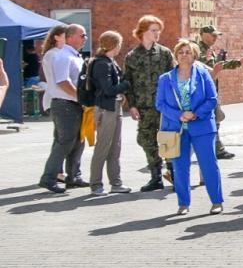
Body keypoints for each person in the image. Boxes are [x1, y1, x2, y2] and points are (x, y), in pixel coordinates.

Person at [155, 39, 224, 216]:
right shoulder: (166, 79)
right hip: (176, 128)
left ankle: (217, 201)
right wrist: (179, 115)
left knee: (208, 164)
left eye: (188, 52)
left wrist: (195, 113)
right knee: (179, 167)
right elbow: (160, 104)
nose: (184, 55)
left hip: (201, 126)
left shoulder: (202, 75)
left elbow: (212, 98)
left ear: (194, 55)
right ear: (176, 55)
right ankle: (183, 203)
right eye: (181, 52)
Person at [124, 15, 176, 193]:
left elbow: (174, 78)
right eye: (153, 30)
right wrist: (131, 105)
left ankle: (174, 174)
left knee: (168, 139)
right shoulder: (132, 56)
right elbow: (128, 83)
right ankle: (156, 176)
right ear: (142, 32)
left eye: (158, 30)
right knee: (147, 140)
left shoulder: (164, 53)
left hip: (165, 107)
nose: (157, 34)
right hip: (144, 107)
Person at [38, 23, 87, 194]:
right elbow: (62, 81)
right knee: (64, 142)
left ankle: (73, 176)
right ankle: (48, 178)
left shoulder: (74, 56)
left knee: (78, 141)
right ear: (71, 36)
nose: (85, 39)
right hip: (65, 104)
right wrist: (80, 97)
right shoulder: (62, 56)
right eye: (82, 35)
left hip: (73, 104)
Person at [84, 30, 132, 195]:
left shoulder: (109, 61)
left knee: (115, 147)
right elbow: (108, 89)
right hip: (106, 109)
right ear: (115, 45)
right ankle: (96, 184)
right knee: (103, 147)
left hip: (114, 107)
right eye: (119, 43)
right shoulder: (102, 64)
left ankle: (115, 182)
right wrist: (126, 85)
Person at [194, 25, 241, 160]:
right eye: (212, 35)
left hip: (211, 91)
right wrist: (207, 59)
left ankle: (217, 148)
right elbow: (198, 67)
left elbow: (218, 67)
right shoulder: (196, 49)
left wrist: (239, 62)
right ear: (203, 34)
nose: (215, 38)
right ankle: (213, 149)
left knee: (215, 120)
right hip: (201, 93)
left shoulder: (209, 50)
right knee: (208, 121)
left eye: (216, 35)